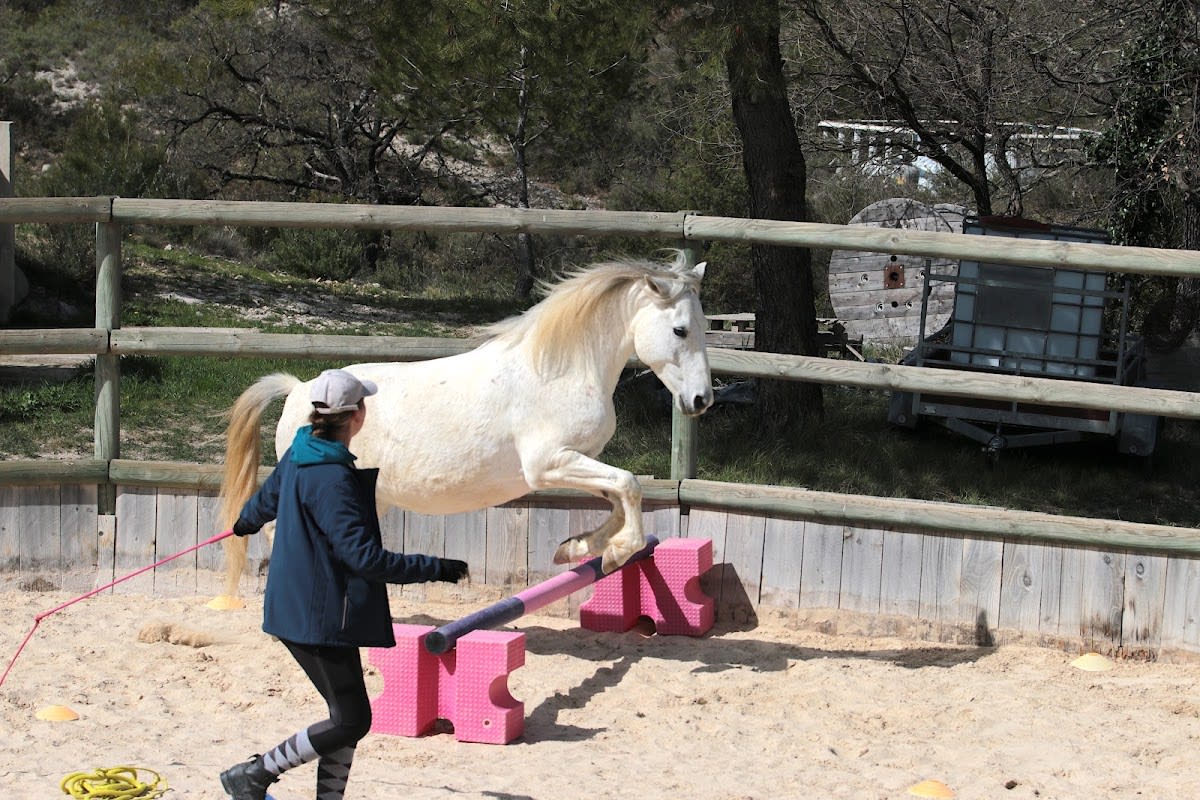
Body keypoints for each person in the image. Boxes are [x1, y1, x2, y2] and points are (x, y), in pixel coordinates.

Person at [219, 368, 469, 800]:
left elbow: (266, 500)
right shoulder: (332, 477)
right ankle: (255, 775)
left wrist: (246, 521)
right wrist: (436, 568)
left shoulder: (300, 452)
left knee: (346, 718)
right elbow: (365, 559)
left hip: (302, 608)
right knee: (352, 720)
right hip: (318, 617)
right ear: (357, 416)